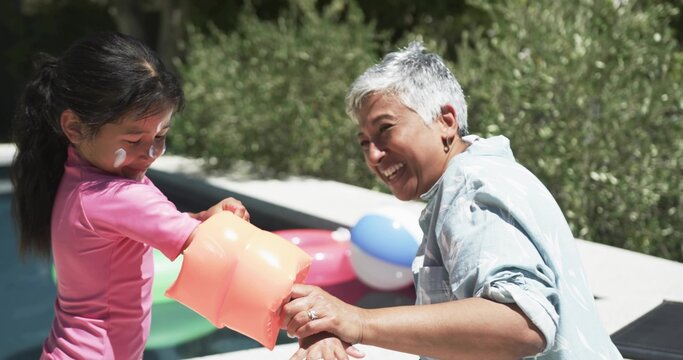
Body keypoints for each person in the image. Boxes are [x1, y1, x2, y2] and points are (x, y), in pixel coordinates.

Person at [283, 42, 623, 359]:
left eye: (384, 129)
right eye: (364, 142)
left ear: (446, 121)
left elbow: (522, 323)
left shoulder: (469, 189)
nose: (373, 154)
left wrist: (358, 322)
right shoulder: (482, 173)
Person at [10, 32, 250, 359]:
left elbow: (162, 227)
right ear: (75, 128)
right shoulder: (115, 195)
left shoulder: (82, 177)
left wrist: (203, 219)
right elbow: (214, 251)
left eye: (161, 136)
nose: (150, 153)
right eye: (134, 139)